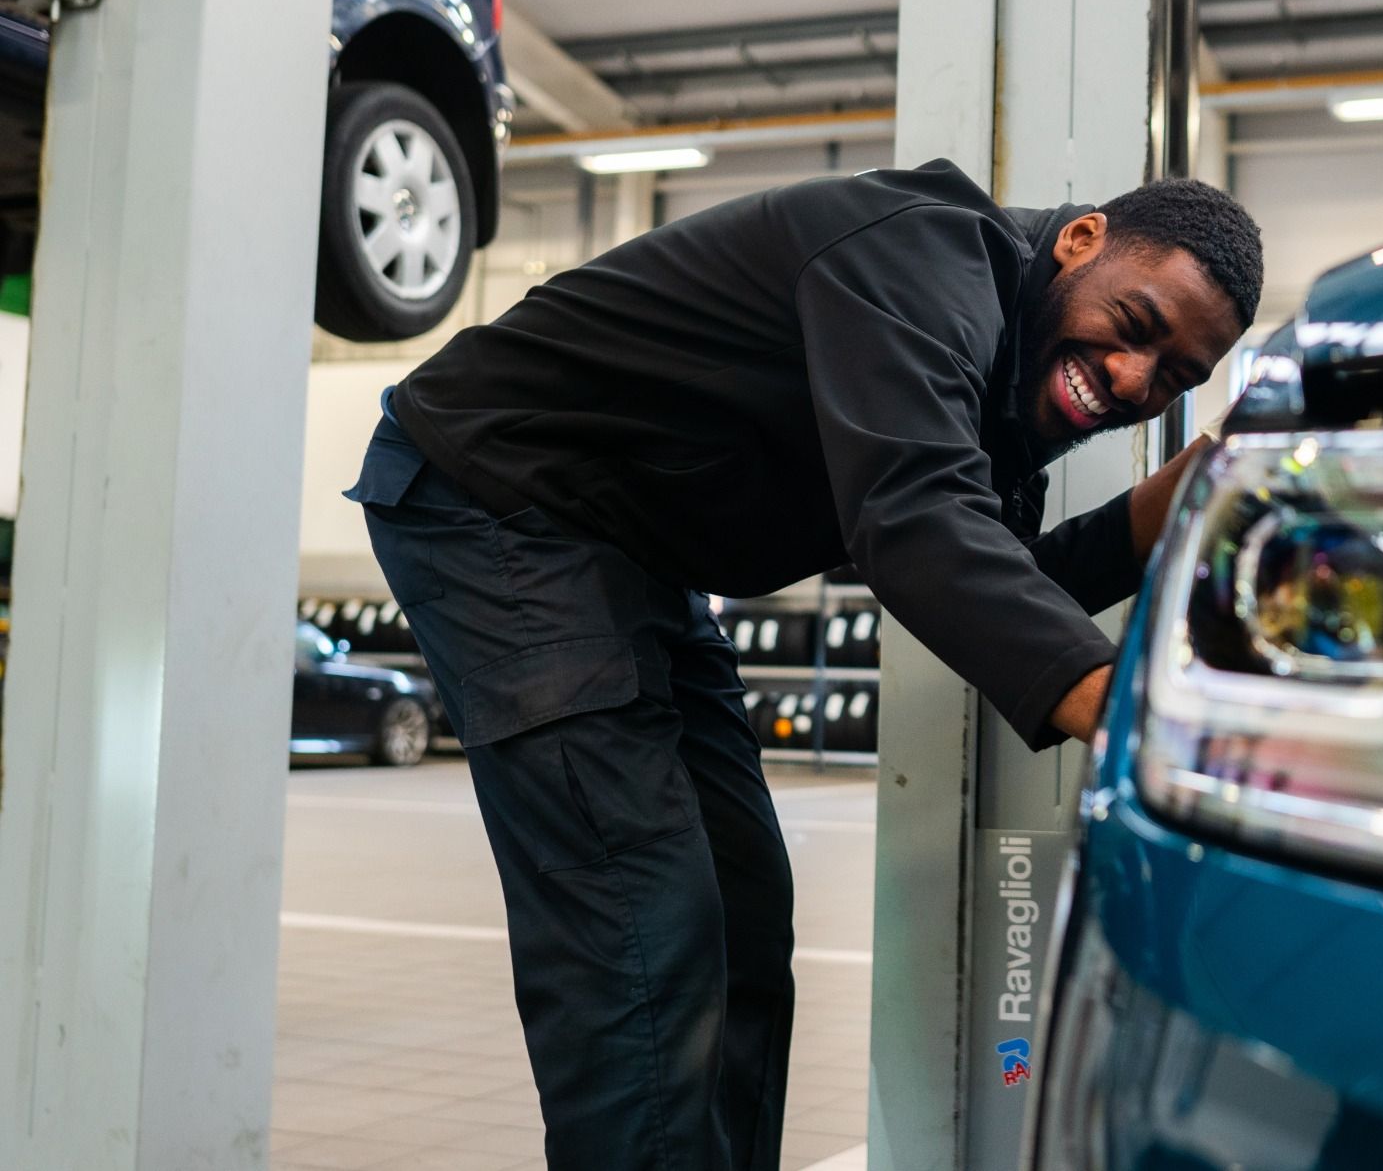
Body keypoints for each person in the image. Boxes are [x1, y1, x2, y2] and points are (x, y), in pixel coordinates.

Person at [345, 158, 1263, 1170]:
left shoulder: (1004, 374)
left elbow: (1003, 575)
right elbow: (916, 522)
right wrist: (1137, 719)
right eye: (1136, 326)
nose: (1136, 380)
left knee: (740, 913)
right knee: (640, 929)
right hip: (494, 497)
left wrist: (1176, 498)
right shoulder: (921, 254)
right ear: (1080, 241)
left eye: (1174, 376)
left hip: (629, 551)